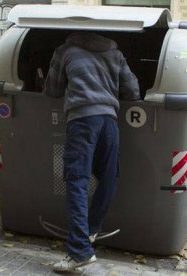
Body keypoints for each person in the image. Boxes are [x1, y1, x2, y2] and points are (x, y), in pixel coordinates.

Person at [43, 32, 140, 273]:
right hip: (109, 120)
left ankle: (79, 252)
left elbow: (52, 90)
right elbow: (133, 90)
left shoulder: (64, 51)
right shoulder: (114, 53)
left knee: (77, 181)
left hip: (82, 121)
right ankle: (90, 232)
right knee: (109, 177)